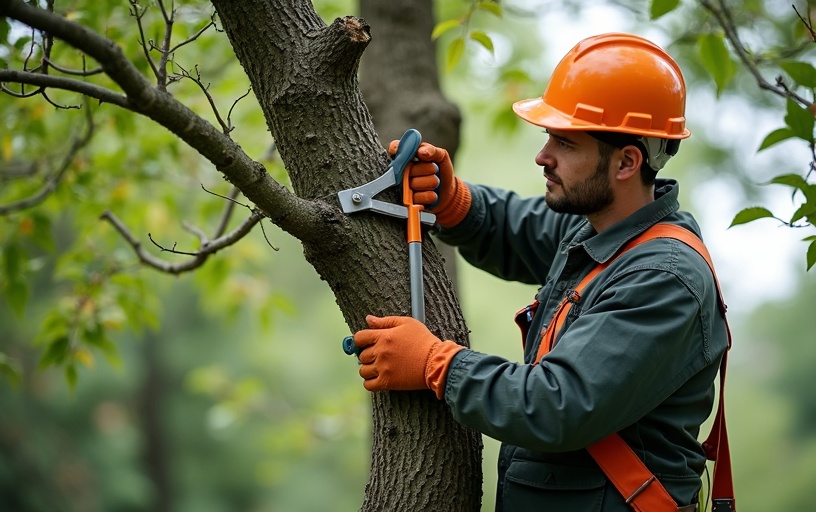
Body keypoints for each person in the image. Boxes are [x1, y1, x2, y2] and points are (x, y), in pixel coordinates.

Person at [351, 32, 730, 512]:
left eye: (565, 142)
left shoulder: (663, 279)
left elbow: (558, 405)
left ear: (627, 162)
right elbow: (518, 227)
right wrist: (454, 201)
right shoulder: (598, 228)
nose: (542, 155)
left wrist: (438, 365)